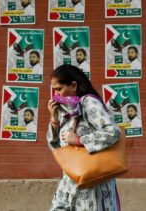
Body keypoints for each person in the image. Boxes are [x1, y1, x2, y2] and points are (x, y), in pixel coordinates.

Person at [47, 64, 122, 210]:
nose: (56, 94)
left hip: (92, 182)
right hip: (70, 181)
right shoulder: (67, 109)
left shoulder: (89, 103)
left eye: (59, 89)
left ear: (73, 85)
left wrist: (79, 140)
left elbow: (113, 131)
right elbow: (56, 147)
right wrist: (54, 119)